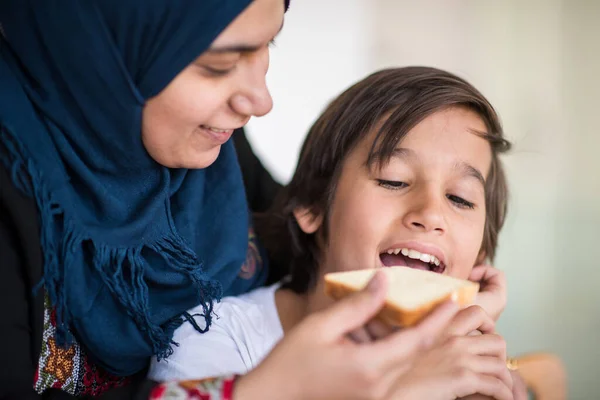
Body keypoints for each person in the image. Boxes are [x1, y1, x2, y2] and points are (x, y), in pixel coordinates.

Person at [0, 1, 482, 399]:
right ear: (101, 54)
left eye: (267, 45)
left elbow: (321, 234)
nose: (260, 98)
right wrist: (271, 391)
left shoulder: (214, 154)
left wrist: (445, 306)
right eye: (219, 65)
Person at [149, 66, 526, 400]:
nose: (430, 214)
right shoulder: (212, 338)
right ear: (312, 205)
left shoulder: (471, 368)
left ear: (479, 255)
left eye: (460, 199)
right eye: (393, 180)